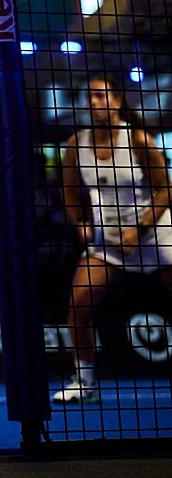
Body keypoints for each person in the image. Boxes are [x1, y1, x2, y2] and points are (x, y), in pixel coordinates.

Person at [52, 76, 172, 404]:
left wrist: (142, 229)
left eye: (100, 96)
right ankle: (84, 383)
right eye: (89, 97)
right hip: (108, 240)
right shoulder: (76, 145)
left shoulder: (139, 140)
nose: (93, 102)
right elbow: (70, 193)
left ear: (117, 102)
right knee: (79, 303)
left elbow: (166, 189)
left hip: (155, 230)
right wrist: (81, 224)